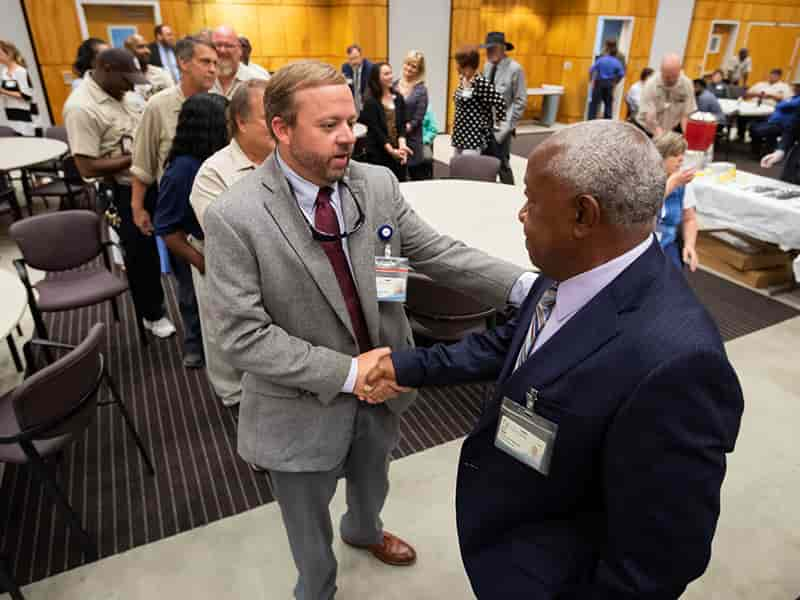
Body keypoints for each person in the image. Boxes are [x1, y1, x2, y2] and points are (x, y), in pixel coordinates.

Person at [365, 119, 744, 600]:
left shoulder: (678, 363)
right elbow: (514, 343)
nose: (521, 215)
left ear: (583, 216)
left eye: (532, 201)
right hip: (511, 537)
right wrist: (408, 365)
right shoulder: (571, 269)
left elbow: (658, 560)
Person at [202, 60, 536, 600]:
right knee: (306, 520)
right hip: (300, 403)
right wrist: (349, 373)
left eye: (350, 121)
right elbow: (242, 335)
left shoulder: (375, 183)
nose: (348, 137)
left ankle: (364, 530)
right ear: (282, 129)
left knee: (372, 478)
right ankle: (318, 585)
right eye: (328, 125)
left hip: (386, 385)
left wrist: (526, 286)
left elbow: (435, 251)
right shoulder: (234, 217)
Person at [63, 48, 177, 338]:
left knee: (175, 238)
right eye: (126, 79)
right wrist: (140, 156)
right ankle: (153, 313)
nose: (131, 85)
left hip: (151, 182)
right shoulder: (82, 107)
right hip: (121, 190)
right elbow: (86, 166)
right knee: (141, 255)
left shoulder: (125, 95)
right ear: (106, 68)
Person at [189, 79, 273, 406]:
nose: (281, 123)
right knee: (227, 339)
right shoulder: (214, 172)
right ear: (241, 121)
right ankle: (234, 398)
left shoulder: (289, 160)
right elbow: (229, 237)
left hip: (277, 271)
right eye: (269, 116)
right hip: (233, 273)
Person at [154, 93, 229, 368]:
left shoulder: (216, 159)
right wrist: (201, 263)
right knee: (192, 298)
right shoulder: (182, 171)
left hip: (213, 245)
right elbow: (166, 229)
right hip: (194, 247)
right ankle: (194, 346)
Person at [130, 36, 217, 240]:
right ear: (183, 63)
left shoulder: (221, 104)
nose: (213, 69)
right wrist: (137, 207)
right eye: (205, 62)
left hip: (214, 209)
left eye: (215, 63)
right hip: (178, 215)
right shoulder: (158, 106)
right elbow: (143, 162)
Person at [481, 31, 526, 184]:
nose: (488, 52)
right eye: (487, 49)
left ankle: (510, 194)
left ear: (502, 49)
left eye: (491, 49)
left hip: (502, 126)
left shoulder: (515, 69)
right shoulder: (487, 66)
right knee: (484, 163)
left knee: (502, 164)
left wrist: (506, 126)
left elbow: (520, 100)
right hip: (484, 124)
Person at [357, 62, 411, 181]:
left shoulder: (398, 98)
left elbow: (402, 124)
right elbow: (377, 131)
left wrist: (402, 146)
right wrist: (392, 151)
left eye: (391, 73)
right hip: (379, 154)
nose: (390, 76)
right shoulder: (371, 102)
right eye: (386, 74)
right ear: (377, 78)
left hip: (398, 152)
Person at [654, 132, 699, 271]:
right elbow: (643, 209)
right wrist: (671, 184)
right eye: (675, 155)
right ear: (660, 157)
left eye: (682, 154)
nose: (681, 159)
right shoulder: (643, 179)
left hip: (667, 244)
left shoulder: (683, 183)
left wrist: (689, 245)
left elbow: (689, 219)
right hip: (641, 246)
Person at [451, 45, 506, 157]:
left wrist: (496, 126)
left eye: (457, 63)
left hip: (474, 137)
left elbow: (500, 102)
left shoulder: (480, 82)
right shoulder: (462, 79)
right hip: (460, 134)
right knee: (456, 167)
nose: (455, 66)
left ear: (466, 64)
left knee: (467, 169)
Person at [636, 53, 697, 136]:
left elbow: (686, 114)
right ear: (661, 71)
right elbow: (649, 119)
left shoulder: (687, 85)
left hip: (669, 130)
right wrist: (662, 138)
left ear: (680, 71)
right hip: (647, 130)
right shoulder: (650, 85)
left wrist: (686, 136)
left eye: (674, 76)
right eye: (667, 77)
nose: (671, 80)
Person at [394, 50, 429, 181]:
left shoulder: (421, 90)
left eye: (413, 66)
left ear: (419, 70)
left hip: (413, 139)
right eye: (407, 64)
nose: (409, 68)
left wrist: (402, 130)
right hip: (395, 139)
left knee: (415, 177)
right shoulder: (393, 85)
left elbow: (418, 119)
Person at [753, 80, 800, 163]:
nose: (794, 88)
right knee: (755, 126)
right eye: (794, 86)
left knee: (757, 129)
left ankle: (759, 152)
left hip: (781, 124)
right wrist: (781, 150)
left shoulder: (796, 99)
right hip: (780, 125)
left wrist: (784, 102)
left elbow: (782, 105)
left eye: (797, 86)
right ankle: (761, 152)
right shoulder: (794, 97)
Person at [211, 25, 263, 100]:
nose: (222, 50)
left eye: (228, 45)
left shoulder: (257, 80)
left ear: (240, 50)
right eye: (218, 45)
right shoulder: (201, 80)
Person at [0, 41, 35, 136]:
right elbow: (7, 92)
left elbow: (26, 96)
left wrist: (3, 91)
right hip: (11, 112)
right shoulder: (4, 71)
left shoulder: (20, 71)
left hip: (24, 114)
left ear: (9, 54)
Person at [124, 34, 174, 98]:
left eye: (147, 47)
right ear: (128, 52)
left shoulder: (161, 73)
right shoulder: (124, 79)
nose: (147, 51)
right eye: (141, 47)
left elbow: (173, 98)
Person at [588, 49, 624, 120]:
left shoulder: (601, 60)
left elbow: (591, 70)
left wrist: (590, 80)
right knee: (608, 105)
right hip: (609, 83)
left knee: (594, 104)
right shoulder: (617, 62)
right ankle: (607, 123)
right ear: (615, 54)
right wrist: (615, 82)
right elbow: (621, 74)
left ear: (608, 52)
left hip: (599, 83)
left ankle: (590, 120)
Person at [342, 43, 373, 114]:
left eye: (355, 58)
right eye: (350, 59)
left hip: (366, 106)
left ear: (361, 56)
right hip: (351, 107)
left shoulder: (370, 68)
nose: (353, 62)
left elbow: (370, 91)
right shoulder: (345, 68)